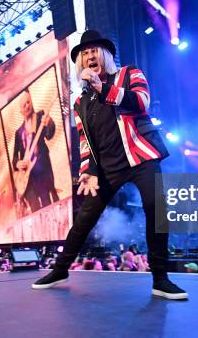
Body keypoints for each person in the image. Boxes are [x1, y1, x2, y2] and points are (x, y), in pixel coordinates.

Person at [32, 30, 188, 300]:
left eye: (94, 51)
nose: (89, 56)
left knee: (156, 208)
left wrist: (101, 87)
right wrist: (87, 172)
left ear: (104, 54)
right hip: (106, 167)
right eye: (85, 53)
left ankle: (160, 279)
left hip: (141, 156)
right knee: (84, 218)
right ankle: (60, 269)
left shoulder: (129, 74)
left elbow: (142, 102)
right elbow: (85, 141)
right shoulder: (81, 102)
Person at [12, 89, 59, 214]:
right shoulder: (18, 132)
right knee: (35, 207)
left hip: (43, 169)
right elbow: (14, 159)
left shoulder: (40, 116)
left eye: (28, 102)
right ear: (20, 111)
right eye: (24, 105)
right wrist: (18, 163)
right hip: (28, 176)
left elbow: (49, 135)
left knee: (47, 202)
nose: (27, 106)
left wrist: (49, 124)